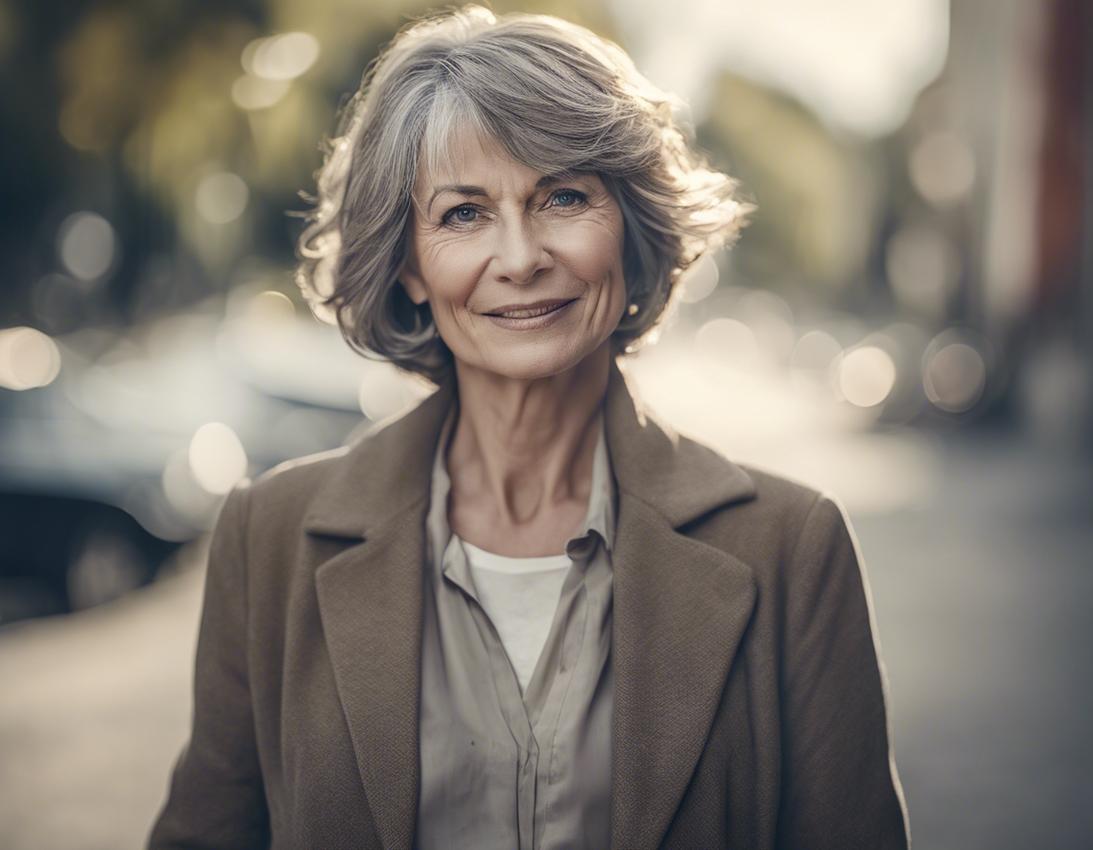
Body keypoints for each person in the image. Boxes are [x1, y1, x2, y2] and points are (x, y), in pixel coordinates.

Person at [149, 6, 910, 849]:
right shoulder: (272, 540)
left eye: (563, 196)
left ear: (631, 225)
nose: (519, 257)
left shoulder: (792, 551)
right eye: (463, 214)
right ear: (405, 263)